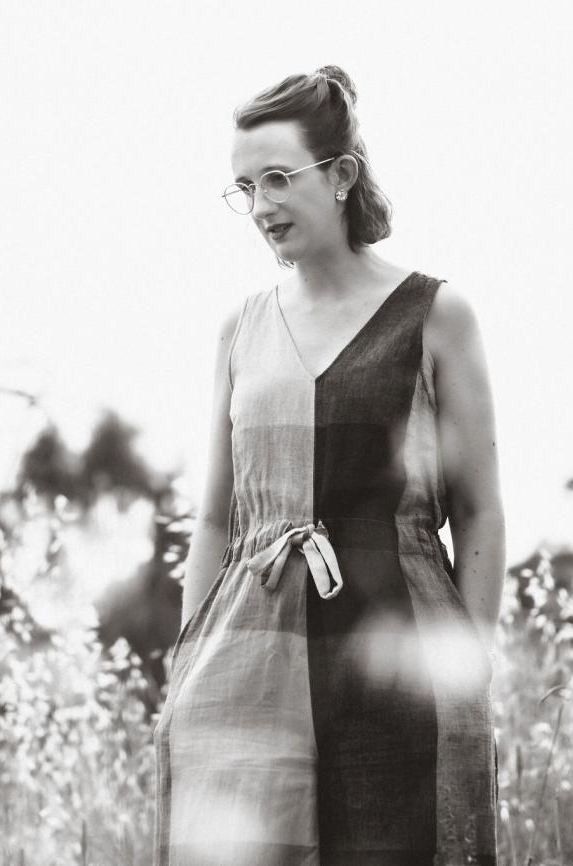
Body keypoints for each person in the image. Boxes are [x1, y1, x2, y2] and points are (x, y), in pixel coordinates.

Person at [151, 65, 505, 866]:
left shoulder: (436, 314)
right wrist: (192, 659)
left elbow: (479, 510)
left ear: (342, 174)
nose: (262, 205)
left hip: (400, 650)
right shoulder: (238, 330)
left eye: (279, 177)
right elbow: (215, 519)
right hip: (247, 661)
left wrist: (469, 666)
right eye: (245, 187)